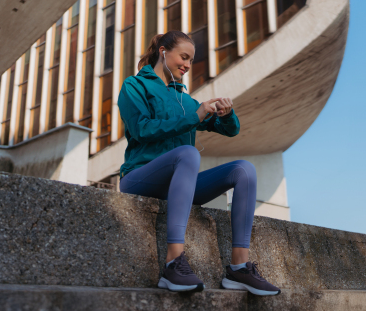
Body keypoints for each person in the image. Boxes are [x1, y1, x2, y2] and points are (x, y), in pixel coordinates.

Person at [117, 31, 280, 296]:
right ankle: (173, 263)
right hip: (140, 178)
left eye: (191, 60)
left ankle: (239, 268)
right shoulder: (134, 86)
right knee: (189, 153)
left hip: (179, 187)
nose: (188, 65)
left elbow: (230, 131)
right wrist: (194, 116)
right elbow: (141, 129)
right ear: (162, 51)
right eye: (184, 57)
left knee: (244, 170)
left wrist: (227, 114)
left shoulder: (185, 100)